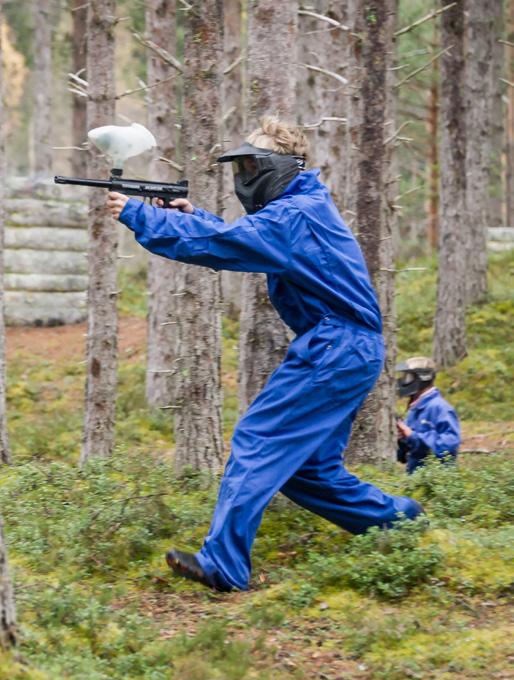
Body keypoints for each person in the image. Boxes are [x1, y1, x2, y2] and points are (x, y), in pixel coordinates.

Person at [106, 116, 424, 592]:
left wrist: (141, 214)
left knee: (258, 440)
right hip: (346, 348)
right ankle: (399, 521)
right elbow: (239, 237)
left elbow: (225, 245)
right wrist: (189, 215)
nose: (245, 176)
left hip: (336, 346)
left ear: (281, 167)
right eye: (242, 165)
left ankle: (223, 564)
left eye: (253, 164)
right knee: (307, 471)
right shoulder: (300, 208)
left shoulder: (295, 215)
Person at [396, 356, 461, 474]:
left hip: (438, 482)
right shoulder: (415, 407)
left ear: (421, 377)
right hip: (417, 480)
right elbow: (409, 450)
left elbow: (449, 446)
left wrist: (412, 436)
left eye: (408, 377)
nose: (403, 381)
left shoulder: (439, 407)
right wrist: (401, 440)